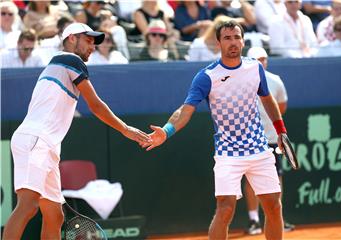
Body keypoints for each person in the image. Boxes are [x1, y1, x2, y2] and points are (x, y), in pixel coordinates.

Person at [1, 22, 151, 240]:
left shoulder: (61, 64)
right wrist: (125, 129)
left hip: (47, 145)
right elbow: (95, 104)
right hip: (36, 139)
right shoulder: (70, 59)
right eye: (88, 40)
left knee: (54, 215)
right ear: (71, 38)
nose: (92, 46)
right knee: (28, 206)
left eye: (94, 42)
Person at [142, 20, 287, 240]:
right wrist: (167, 130)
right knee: (225, 209)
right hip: (228, 152)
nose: (233, 42)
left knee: (274, 206)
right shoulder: (206, 76)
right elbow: (185, 110)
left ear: (243, 41)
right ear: (218, 42)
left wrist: (281, 130)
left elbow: (267, 98)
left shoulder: (255, 68)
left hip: (259, 148)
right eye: (227, 38)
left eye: (237, 37)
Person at [244, 46, 294, 235]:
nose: (262, 62)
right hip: (250, 141)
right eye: (257, 59)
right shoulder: (241, 82)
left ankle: (276, 217)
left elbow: (280, 108)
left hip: (272, 140)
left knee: (276, 179)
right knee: (251, 180)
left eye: (264, 59)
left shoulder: (275, 81)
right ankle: (253, 220)